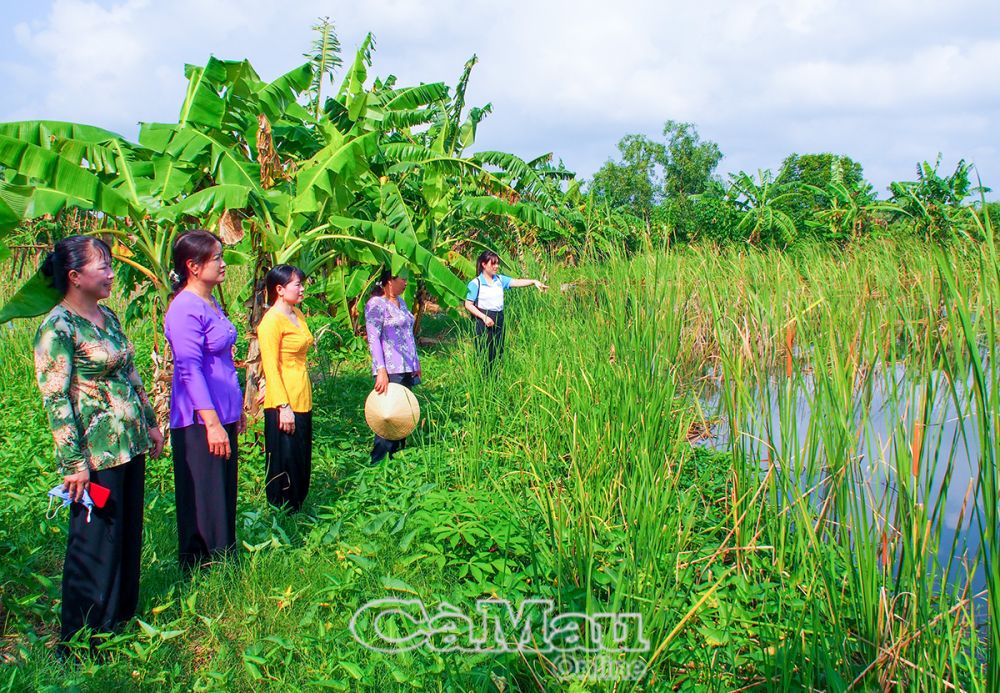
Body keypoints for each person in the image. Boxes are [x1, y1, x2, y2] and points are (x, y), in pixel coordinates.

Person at [33, 235, 165, 650]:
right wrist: (73, 462)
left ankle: (118, 621)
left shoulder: (107, 316)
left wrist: (151, 423)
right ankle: (79, 639)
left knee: (126, 533)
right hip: (96, 452)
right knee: (94, 543)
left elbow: (131, 373)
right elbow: (55, 398)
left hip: (129, 443)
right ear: (74, 277)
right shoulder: (58, 327)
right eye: (102, 267)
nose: (111, 274)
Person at [164, 229, 245, 570]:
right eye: (217, 258)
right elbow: (189, 369)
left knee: (223, 491)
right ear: (193, 266)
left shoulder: (210, 302)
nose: (224, 264)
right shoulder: (184, 308)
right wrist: (211, 423)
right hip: (199, 419)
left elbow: (223, 362)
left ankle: (224, 559)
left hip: (222, 412)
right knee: (205, 494)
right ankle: (203, 566)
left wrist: (235, 411)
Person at [257, 265, 314, 511]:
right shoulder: (271, 321)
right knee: (285, 457)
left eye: (302, 284)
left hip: (302, 391)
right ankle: (282, 510)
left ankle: (298, 506)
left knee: (300, 454)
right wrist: (283, 406)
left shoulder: (297, 314)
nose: (302, 289)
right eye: (297, 285)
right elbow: (270, 365)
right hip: (284, 398)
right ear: (279, 290)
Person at [364, 268, 421, 464]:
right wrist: (381, 370)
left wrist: (416, 362)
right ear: (390, 281)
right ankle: (378, 460)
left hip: (406, 366)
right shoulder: (376, 304)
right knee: (387, 415)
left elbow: (408, 335)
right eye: (402, 279)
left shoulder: (401, 302)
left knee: (403, 414)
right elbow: (373, 339)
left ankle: (397, 459)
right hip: (389, 368)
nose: (406, 283)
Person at [463, 251, 548, 366]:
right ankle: (483, 378)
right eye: (493, 264)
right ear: (483, 264)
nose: (496, 266)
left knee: (498, 350)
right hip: (483, 319)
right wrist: (484, 317)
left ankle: (496, 377)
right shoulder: (476, 283)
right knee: (484, 351)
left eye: (497, 263)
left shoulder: (499, 279)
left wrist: (533, 282)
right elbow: (468, 304)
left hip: (499, 317)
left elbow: (516, 282)